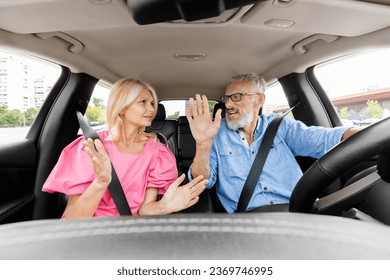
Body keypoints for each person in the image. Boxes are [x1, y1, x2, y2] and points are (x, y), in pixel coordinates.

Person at [185, 73, 359, 213]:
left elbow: (324, 139)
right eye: (227, 98)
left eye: (236, 97)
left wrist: (377, 135)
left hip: (298, 212)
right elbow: (204, 182)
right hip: (250, 219)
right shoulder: (216, 134)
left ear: (259, 100)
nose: (228, 104)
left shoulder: (280, 126)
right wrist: (203, 144)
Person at [42, 78, 207, 218]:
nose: (151, 109)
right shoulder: (92, 147)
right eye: (143, 102)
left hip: (127, 232)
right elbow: (73, 219)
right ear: (121, 109)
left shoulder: (157, 153)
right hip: (89, 233)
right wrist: (101, 182)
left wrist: (164, 206)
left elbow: (145, 210)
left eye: (152, 103)